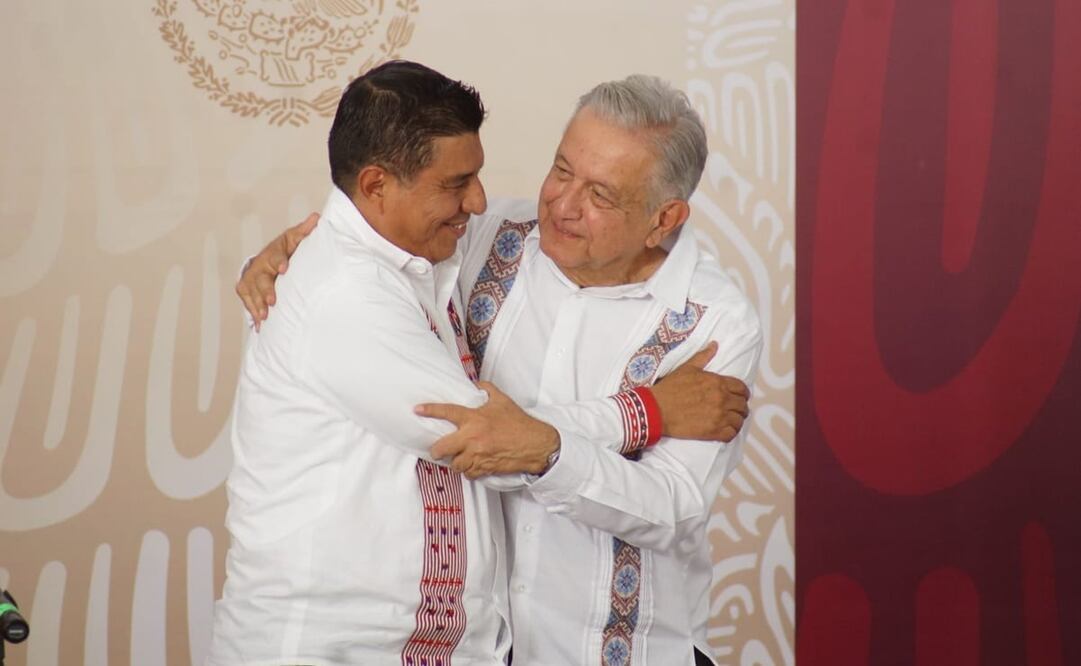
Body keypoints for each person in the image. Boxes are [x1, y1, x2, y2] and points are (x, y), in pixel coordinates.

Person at [240, 73, 761, 665]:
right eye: (561, 170)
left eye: (600, 195)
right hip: (484, 650)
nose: (563, 205)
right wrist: (286, 256)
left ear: (664, 219)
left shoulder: (715, 322)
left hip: (624, 652)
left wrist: (535, 447)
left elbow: (672, 506)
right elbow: (375, 246)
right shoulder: (488, 239)